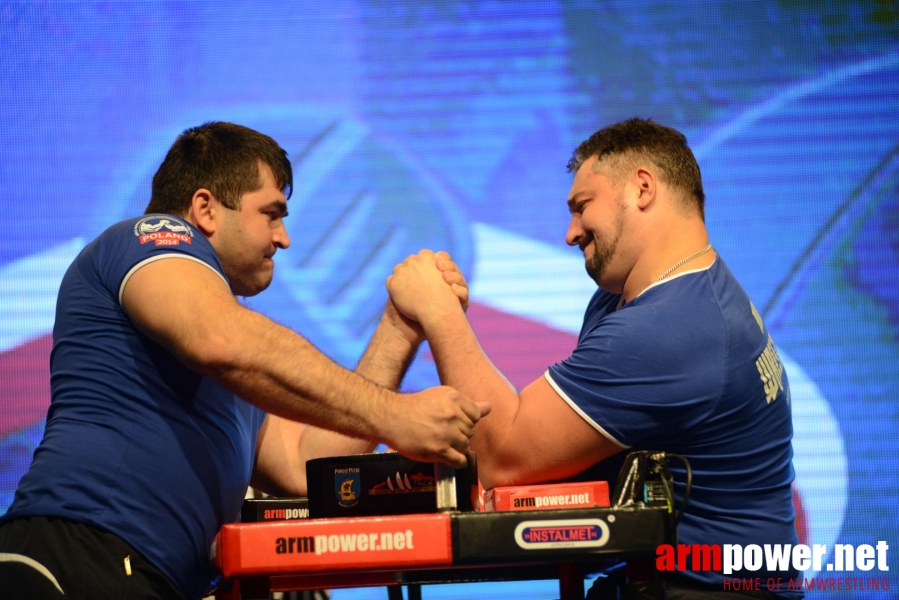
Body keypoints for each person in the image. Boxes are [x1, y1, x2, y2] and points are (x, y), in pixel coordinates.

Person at [0, 121, 487, 600]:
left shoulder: (228, 356)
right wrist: (396, 414)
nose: (283, 238)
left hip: (139, 571)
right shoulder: (148, 238)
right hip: (77, 550)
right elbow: (218, 336)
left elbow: (305, 467)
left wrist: (398, 328)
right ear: (206, 208)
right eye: (271, 214)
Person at [386, 118, 800, 599]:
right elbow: (561, 457)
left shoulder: (675, 328)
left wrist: (438, 312)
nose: (570, 233)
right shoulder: (638, 298)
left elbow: (503, 458)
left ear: (642, 188)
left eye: (582, 208)